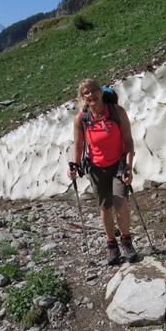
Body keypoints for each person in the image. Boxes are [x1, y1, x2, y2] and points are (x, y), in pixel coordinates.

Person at [68, 79, 138, 264]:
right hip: (96, 168)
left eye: (93, 91)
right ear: (82, 97)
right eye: (86, 93)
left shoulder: (116, 112)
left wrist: (129, 166)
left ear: (100, 92)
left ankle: (126, 241)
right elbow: (78, 146)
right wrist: (74, 165)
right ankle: (111, 245)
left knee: (120, 203)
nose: (90, 95)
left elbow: (129, 141)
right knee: (105, 208)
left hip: (118, 165)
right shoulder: (81, 119)